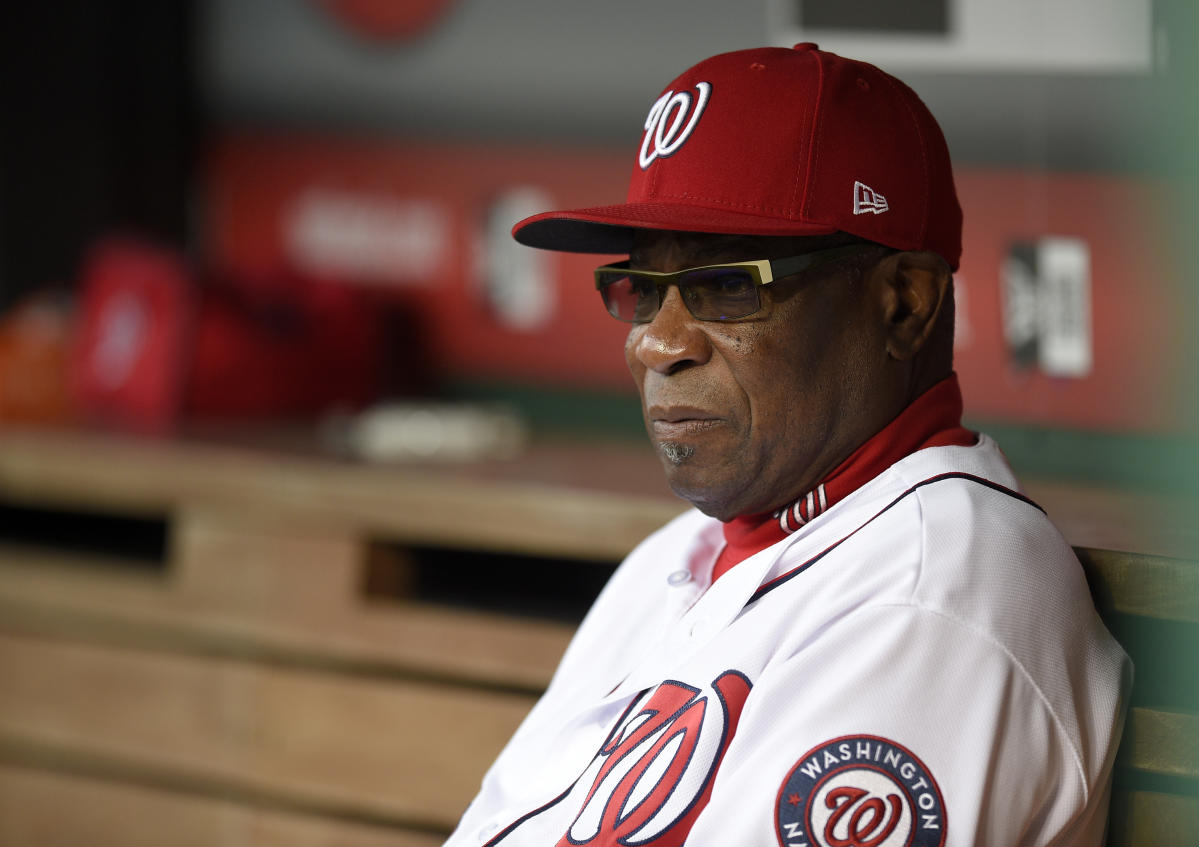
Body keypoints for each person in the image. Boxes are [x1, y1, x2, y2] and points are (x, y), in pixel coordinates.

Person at [445, 44, 1131, 847]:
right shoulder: (677, 559)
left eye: (727, 285)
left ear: (903, 306)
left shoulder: (928, 599)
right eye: (642, 290)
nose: (656, 344)